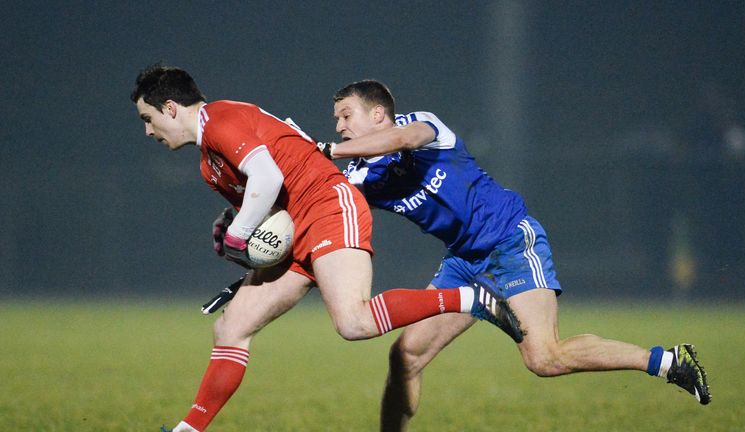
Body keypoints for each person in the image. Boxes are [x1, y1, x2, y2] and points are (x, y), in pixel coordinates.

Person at [130, 64, 520, 432]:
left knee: (354, 323)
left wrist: (238, 236)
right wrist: (229, 222)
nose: (148, 132)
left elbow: (266, 177)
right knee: (231, 327)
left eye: (148, 119)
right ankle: (188, 429)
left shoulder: (222, 119)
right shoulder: (208, 163)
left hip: (330, 206)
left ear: (170, 107)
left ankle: (470, 299)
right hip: (299, 225)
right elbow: (267, 203)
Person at [319, 79, 711, 431]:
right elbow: (323, 198)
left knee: (545, 358)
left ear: (378, 113)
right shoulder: (358, 176)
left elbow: (402, 140)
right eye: (337, 120)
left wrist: (332, 150)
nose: (339, 126)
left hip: (510, 243)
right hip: (464, 262)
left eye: (346, 115)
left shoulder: (423, 125)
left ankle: (666, 362)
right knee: (405, 356)